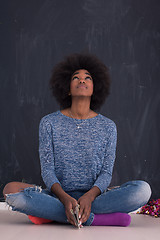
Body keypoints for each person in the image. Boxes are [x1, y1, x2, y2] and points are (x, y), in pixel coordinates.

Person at [3, 53, 151, 227]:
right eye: (76, 78)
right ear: (68, 88)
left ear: (94, 88)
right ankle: (95, 218)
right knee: (9, 191)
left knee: (142, 191)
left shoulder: (108, 126)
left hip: (96, 196)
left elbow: (106, 173)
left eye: (87, 78)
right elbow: (48, 171)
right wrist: (65, 199)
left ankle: (57, 214)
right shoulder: (49, 123)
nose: (82, 80)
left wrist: (89, 196)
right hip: (58, 195)